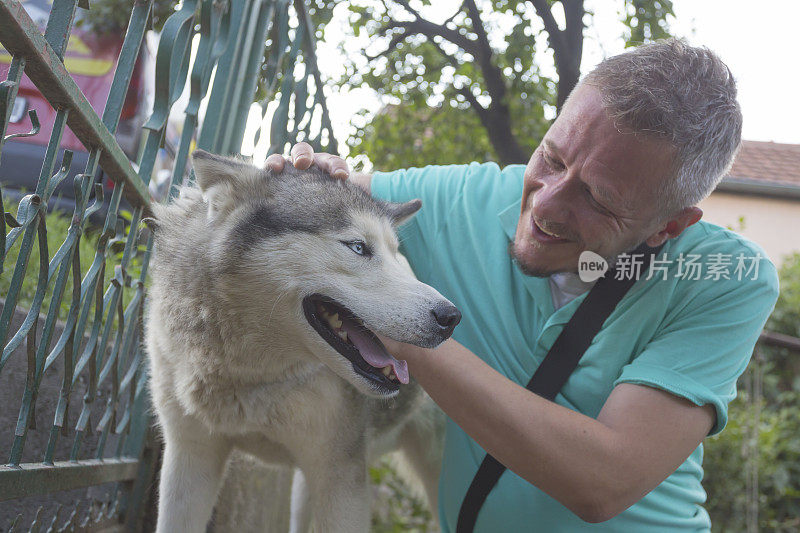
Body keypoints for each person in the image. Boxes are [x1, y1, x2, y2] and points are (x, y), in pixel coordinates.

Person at [266, 39, 779, 531]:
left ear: (669, 226)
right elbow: (299, 211)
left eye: (598, 198)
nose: (546, 206)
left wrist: (396, 315)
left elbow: (603, 481)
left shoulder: (726, 276)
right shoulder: (469, 198)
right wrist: (304, 176)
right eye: (552, 159)